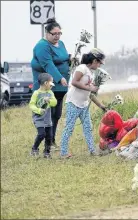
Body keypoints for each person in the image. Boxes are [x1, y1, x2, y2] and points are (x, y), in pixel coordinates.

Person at [31, 18, 71, 150]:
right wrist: (59, 78)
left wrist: (70, 59)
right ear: (47, 33)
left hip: (60, 88)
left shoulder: (61, 44)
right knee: (46, 116)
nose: (57, 36)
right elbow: (48, 64)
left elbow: (63, 58)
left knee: (56, 115)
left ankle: (52, 140)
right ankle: (44, 144)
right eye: (54, 34)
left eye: (59, 33)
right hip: (47, 88)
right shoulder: (42, 46)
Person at [59, 48, 107, 159]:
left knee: (88, 128)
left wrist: (100, 105)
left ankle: (92, 151)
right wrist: (90, 87)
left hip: (84, 105)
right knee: (69, 128)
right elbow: (74, 82)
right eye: (99, 63)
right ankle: (63, 153)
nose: (100, 65)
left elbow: (90, 93)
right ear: (94, 61)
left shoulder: (92, 73)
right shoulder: (82, 68)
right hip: (73, 103)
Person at [29, 73, 57, 158]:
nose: (52, 85)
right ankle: (34, 149)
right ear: (45, 83)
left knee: (49, 136)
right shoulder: (36, 93)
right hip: (38, 117)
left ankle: (47, 152)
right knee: (41, 134)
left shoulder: (50, 92)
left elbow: (54, 102)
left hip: (47, 118)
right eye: (51, 83)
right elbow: (31, 105)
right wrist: (38, 110)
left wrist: (49, 101)